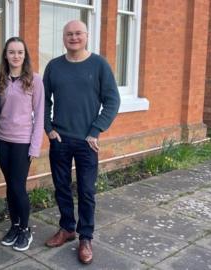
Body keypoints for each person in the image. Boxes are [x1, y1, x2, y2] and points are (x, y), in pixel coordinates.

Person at [43, 20, 120, 265]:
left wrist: (95, 130)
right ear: (63, 37)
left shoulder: (99, 65)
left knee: (87, 191)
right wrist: (49, 128)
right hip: (60, 140)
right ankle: (67, 228)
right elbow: (43, 102)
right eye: (69, 34)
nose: (73, 37)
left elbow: (112, 101)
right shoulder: (54, 67)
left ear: (86, 36)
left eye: (78, 33)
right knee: (62, 188)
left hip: (87, 142)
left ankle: (85, 236)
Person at [0, 37, 44, 252]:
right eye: (12, 52)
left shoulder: (34, 80)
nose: (16, 56)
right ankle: (14, 226)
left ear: (25, 56)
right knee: (10, 187)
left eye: (20, 52)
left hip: (22, 142)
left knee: (18, 187)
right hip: (1, 140)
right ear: (6, 55)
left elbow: (40, 114)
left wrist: (35, 146)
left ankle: (26, 229)